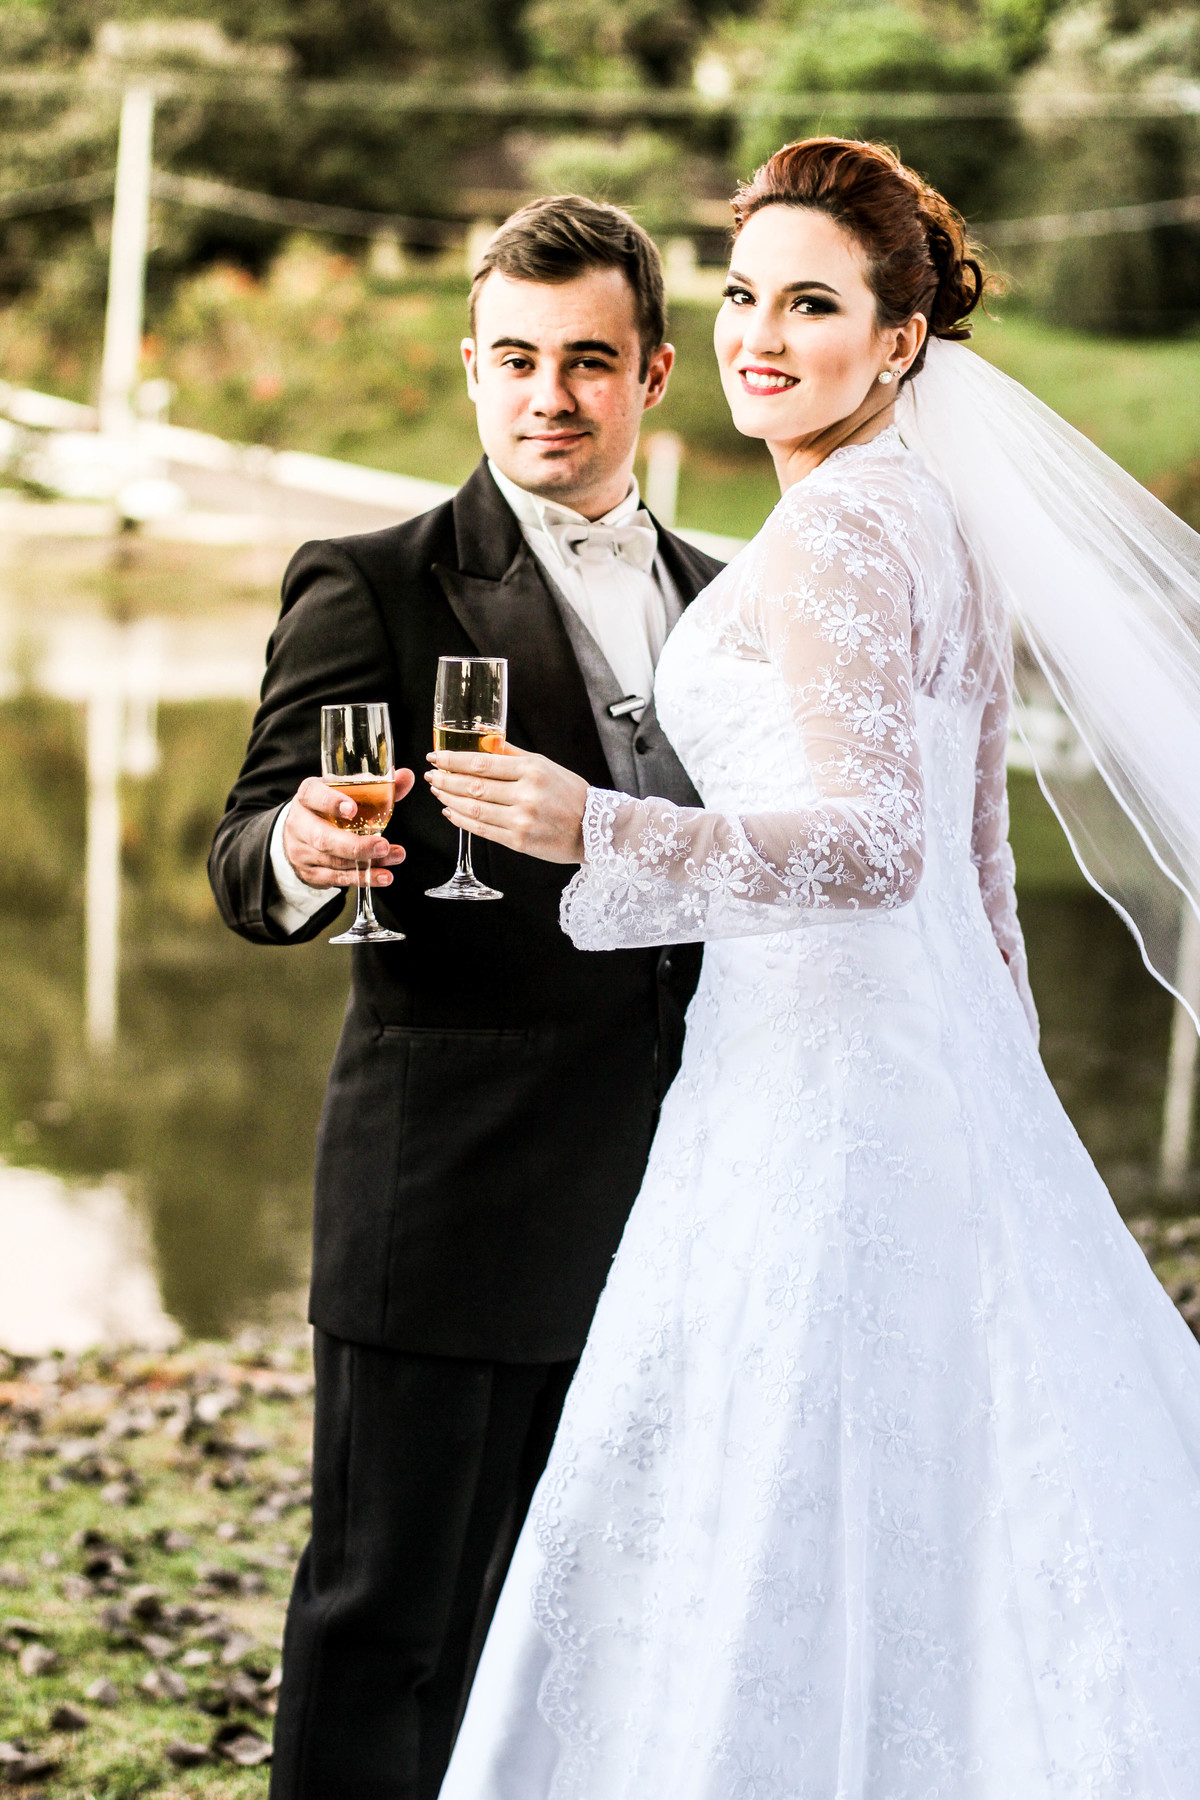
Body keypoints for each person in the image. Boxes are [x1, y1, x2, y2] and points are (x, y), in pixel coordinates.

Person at [428, 139, 1200, 1797]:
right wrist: (1003, 1079)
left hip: (823, 1080)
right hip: (908, 1062)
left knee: (792, 1455)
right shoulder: (934, 515)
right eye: (742, 295)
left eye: (814, 304)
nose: (761, 334)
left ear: (899, 341)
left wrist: (599, 831)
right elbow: (984, 867)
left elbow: (877, 847)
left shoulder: (850, 531)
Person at [207, 195, 723, 1800]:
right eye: (515, 358)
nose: (547, 396)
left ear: (653, 375)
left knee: (588, 1627)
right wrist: (300, 844)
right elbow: (239, 859)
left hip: (687, 1208)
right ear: (471, 367)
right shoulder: (370, 582)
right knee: (387, 1623)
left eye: (586, 360)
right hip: (447, 1200)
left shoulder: (734, 606)